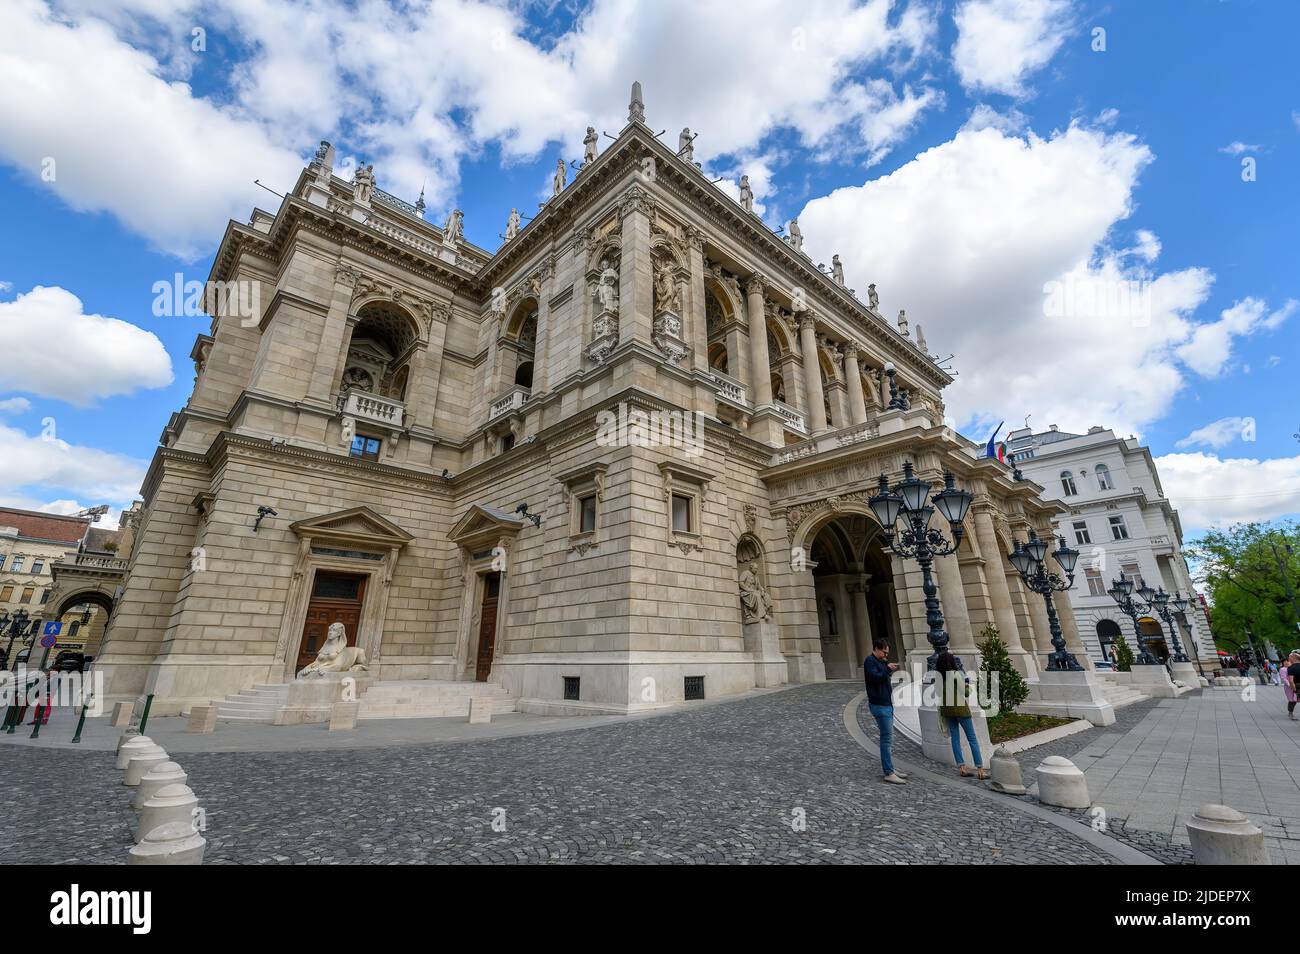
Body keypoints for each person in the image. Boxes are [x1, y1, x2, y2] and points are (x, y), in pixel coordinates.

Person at [934, 649, 986, 779]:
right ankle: (980, 769)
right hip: (961, 709)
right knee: (972, 738)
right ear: (951, 662)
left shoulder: (938, 677)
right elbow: (966, 693)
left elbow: (938, 694)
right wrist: (967, 684)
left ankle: (962, 767)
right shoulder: (955, 674)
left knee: (955, 739)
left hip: (948, 711)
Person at [864, 638, 906, 784]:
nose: (885, 655)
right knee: (886, 739)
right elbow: (874, 678)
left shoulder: (880, 662)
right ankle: (889, 771)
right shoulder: (870, 661)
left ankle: (891, 768)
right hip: (879, 705)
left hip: (886, 703)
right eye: (884, 652)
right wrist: (887, 669)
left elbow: (881, 676)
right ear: (876, 648)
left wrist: (886, 667)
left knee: (889, 738)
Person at [1285, 652, 1300, 720]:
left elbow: (1291, 680)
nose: (1289, 659)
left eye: (1290, 657)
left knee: (1293, 700)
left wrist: (1294, 689)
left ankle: (1290, 713)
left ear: (1294, 658)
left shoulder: (1291, 668)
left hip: (1296, 685)